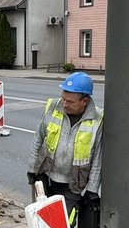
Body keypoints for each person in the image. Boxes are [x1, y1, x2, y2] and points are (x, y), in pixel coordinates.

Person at [27, 71, 103, 219]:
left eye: (70, 102)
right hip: (45, 177)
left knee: (64, 226)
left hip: (72, 186)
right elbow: (38, 138)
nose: (64, 104)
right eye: (63, 99)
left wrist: (92, 189)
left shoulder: (97, 119)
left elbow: (97, 157)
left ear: (85, 101)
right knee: (42, 220)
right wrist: (32, 169)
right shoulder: (53, 106)